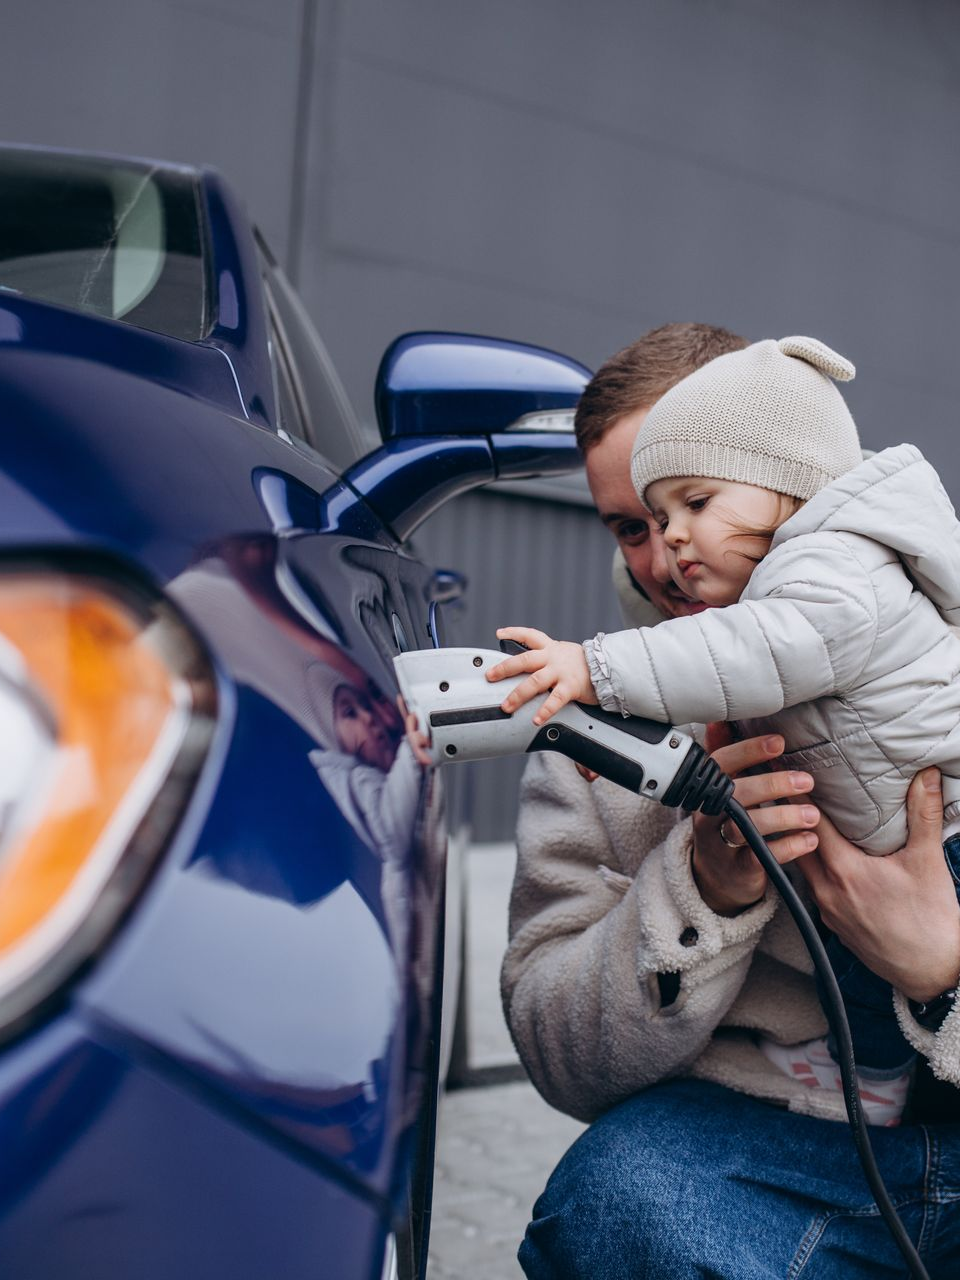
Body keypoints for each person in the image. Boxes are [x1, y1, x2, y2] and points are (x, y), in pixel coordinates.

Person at [495, 324, 960, 1277]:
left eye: (696, 503)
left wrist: (941, 973)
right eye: (635, 524)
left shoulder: (920, 644)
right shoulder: (588, 731)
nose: (669, 555)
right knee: (620, 1201)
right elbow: (557, 1052)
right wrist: (699, 890)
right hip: (778, 1153)